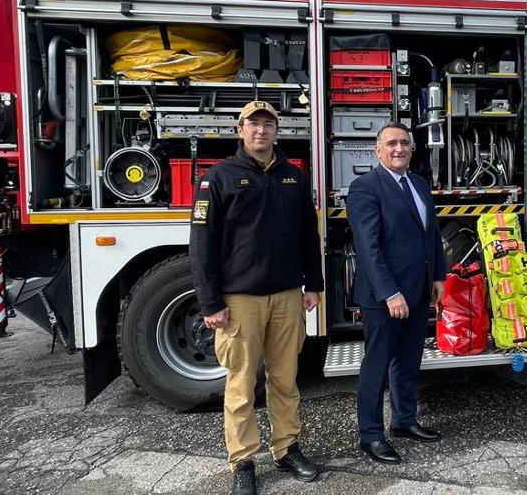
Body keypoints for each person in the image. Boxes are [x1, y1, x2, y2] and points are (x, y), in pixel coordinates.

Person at [190, 100, 323, 495]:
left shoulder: (294, 178)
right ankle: (243, 461)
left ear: (277, 131)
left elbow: (307, 236)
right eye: (254, 124)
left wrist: (312, 284)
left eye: (268, 124)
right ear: (240, 130)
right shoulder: (217, 179)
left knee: (285, 379)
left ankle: (286, 448)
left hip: (285, 297)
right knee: (241, 383)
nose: (261, 131)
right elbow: (201, 246)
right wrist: (211, 303)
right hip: (239, 302)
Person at [347, 122, 447, 464]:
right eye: (391, 143)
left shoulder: (419, 184)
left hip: (418, 292)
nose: (399, 148)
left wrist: (437, 277)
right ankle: (371, 435)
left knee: (407, 362)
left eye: (405, 143)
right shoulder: (364, 187)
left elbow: (431, 234)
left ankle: (404, 421)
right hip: (383, 298)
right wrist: (390, 294)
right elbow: (368, 247)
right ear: (378, 150)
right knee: (376, 367)